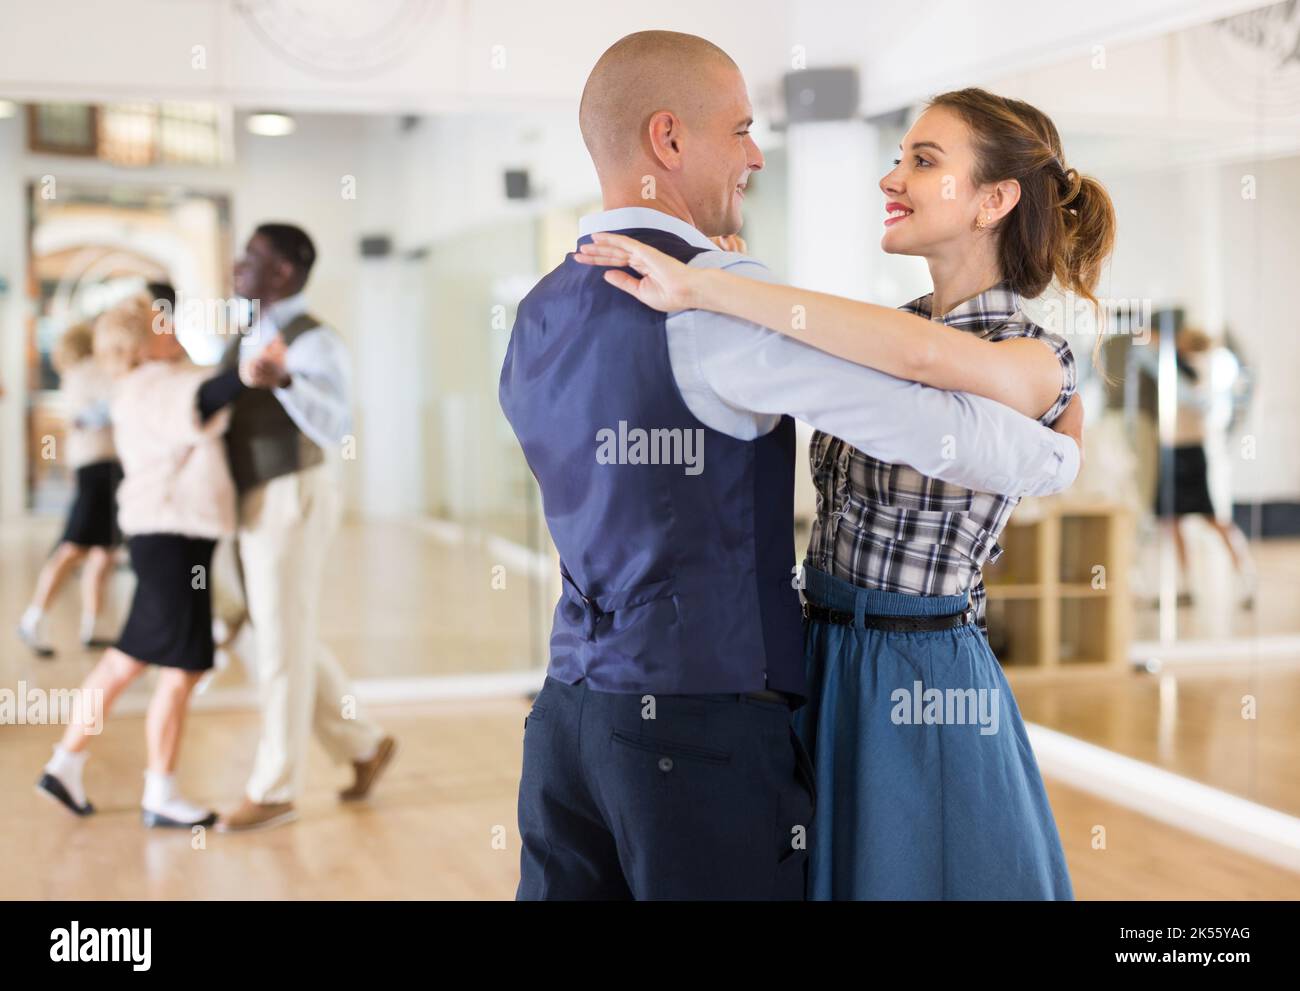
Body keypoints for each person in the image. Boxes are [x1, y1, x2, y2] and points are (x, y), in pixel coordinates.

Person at [500, 33, 1082, 900]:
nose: (756, 154)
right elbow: (922, 410)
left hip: (575, 713)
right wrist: (1058, 456)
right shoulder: (709, 303)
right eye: (740, 130)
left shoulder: (541, 308)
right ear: (669, 141)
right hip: (714, 710)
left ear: (997, 198)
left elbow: (925, 373)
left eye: (921, 160)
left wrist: (718, 278)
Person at [36, 293, 264, 827]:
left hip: (165, 538)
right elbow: (205, 401)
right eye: (162, 327)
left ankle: (64, 764)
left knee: (126, 659)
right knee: (183, 666)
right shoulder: (151, 386)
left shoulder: (148, 384)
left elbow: (205, 387)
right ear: (142, 344)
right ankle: (158, 792)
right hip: (172, 536)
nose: (174, 331)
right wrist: (250, 366)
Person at [215, 223, 394, 833]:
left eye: (253, 257)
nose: (240, 264)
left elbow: (336, 424)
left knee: (280, 642)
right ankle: (364, 745)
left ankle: (275, 788)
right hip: (256, 498)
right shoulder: (248, 329)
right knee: (282, 632)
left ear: (284, 272)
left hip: (292, 495)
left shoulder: (316, 341)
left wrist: (286, 381)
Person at [18, 321, 122, 657]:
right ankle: (33, 618)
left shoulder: (77, 376)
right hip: (99, 468)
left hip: (101, 467)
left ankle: (93, 627)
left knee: (104, 551)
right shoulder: (88, 372)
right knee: (73, 547)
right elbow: (110, 406)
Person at [1147, 327, 1255, 605]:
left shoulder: (1198, 369)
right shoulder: (1184, 368)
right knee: (1173, 520)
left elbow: (1187, 394)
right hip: (1177, 449)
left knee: (1212, 518)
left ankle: (1245, 580)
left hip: (1191, 451)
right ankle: (1186, 587)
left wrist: (1160, 349)